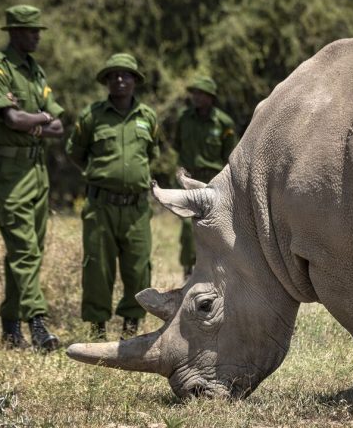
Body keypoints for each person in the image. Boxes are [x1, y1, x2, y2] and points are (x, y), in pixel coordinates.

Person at [0, 4, 64, 352]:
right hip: (9, 170)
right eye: (31, 31)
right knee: (24, 249)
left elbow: (57, 125)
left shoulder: (35, 71)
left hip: (37, 168)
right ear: (14, 33)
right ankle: (38, 324)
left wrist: (37, 118)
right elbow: (11, 119)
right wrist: (39, 118)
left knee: (28, 251)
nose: (37, 36)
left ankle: (10, 329)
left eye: (38, 31)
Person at [66, 53, 160, 339]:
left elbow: (151, 153)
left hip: (136, 208)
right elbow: (75, 152)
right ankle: (97, 329)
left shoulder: (147, 117)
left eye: (126, 75)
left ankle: (131, 328)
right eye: (114, 75)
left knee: (139, 268)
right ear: (107, 81)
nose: (120, 79)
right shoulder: (91, 116)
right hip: (100, 206)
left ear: (134, 81)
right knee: (97, 267)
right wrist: (102, 176)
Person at [173, 75, 239, 278]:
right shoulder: (184, 119)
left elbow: (231, 156)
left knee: (215, 227)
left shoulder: (223, 123)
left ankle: (219, 270)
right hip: (189, 180)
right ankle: (188, 269)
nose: (196, 97)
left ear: (211, 97)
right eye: (195, 93)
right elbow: (177, 145)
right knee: (187, 226)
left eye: (201, 94)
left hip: (213, 182)